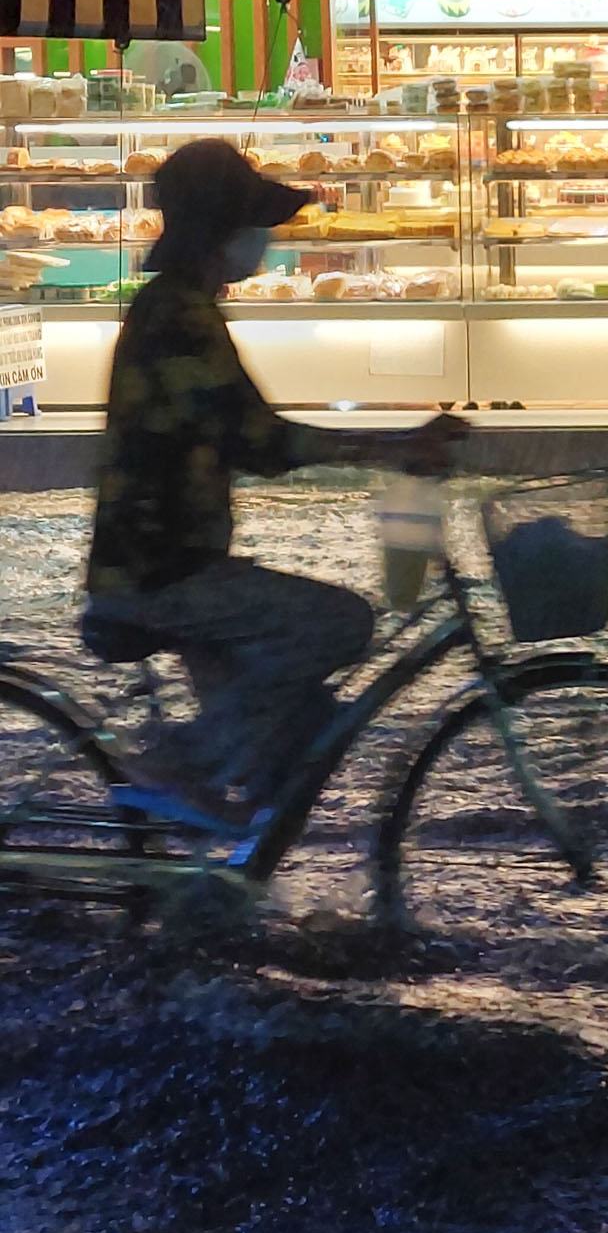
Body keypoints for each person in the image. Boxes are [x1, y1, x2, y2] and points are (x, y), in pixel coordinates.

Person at [82, 138, 464, 833]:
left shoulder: (176, 306)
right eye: (253, 225)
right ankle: (179, 765)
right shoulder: (179, 318)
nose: (264, 240)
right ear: (222, 232)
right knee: (338, 622)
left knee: (298, 729)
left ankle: (228, 868)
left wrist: (388, 445)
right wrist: (391, 447)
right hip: (158, 571)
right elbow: (259, 441)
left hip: (168, 559)